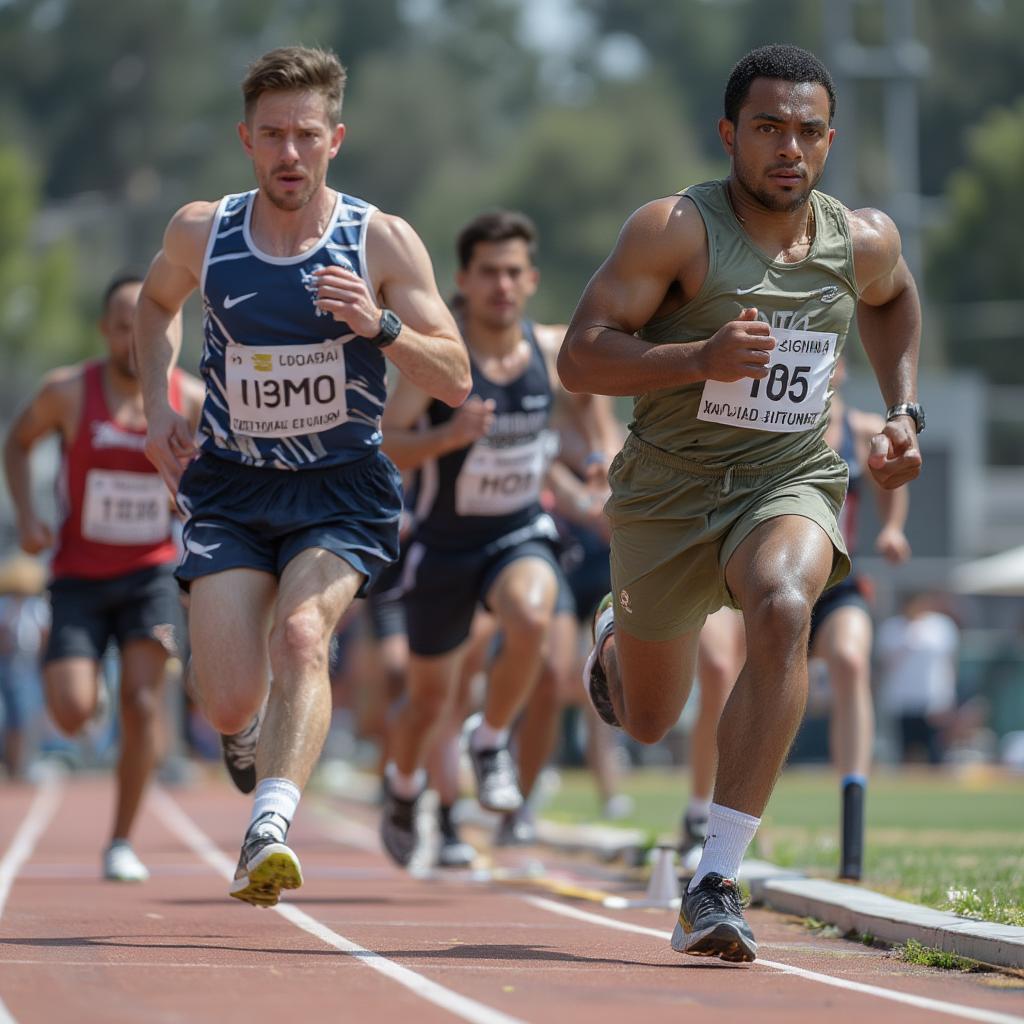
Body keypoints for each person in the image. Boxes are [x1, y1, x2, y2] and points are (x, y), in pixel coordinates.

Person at [558, 44, 923, 962]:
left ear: (829, 142)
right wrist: (695, 358)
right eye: (768, 128)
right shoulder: (674, 231)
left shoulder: (861, 239)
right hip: (667, 495)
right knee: (645, 718)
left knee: (785, 606)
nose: (788, 147)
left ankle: (715, 880)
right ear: (730, 135)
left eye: (807, 131)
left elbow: (894, 299)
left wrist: (902, 410)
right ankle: (614, 631)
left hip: (785, 477)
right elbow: (581, 356)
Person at [133, 46, 470, 907]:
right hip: (232, 486)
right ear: (247, 139)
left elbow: (456, 376)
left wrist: (380, 324)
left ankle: (268, 828)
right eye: (273, 135)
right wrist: (157, 408)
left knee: (303, 639)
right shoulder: (202, 231)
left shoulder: (379, 239)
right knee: (227, 696)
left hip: (340, 488)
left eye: (306, 136)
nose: (290, 153)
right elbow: (154, 306)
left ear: (335, 140)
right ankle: (242, 735)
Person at [378, 209, 604, 866]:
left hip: (517, 534)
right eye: (488, 274)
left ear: (531, 279)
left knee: (533, 617)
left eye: (513, 273)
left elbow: (597, 408)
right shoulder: (440, 363)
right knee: (426, 703)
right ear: (463, 281)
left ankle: (491, 738)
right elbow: (388, 446)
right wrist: (448, 436)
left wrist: (598, 456)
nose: (502, 286)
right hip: (443, 546)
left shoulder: (551, 350)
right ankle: (401, 790)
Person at [3, 274, 203, 880]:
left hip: (151, 576)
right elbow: (17, 443)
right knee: (68, 710)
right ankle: (86, 697)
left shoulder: (189, 398)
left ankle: (120, 840)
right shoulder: (66, 391)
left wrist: (187, 502)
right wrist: (32, 517)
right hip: (78, 578)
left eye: (149, 324)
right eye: (123, 324)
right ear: (106, 331)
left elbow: (213, 480)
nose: (135, 338)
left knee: (145, 701)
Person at [877, 593, 958, 765]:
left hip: (932, 700)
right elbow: (884, 664)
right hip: (902, 700)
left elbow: (949, 663)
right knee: (906, 750)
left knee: (934, 751)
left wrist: (948, 696)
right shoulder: (892, 628)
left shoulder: (941, 626)